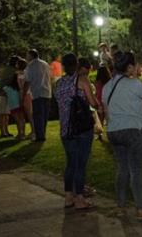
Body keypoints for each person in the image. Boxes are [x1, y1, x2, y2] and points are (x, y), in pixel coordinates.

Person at [102, 51, 142, 220]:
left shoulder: (107, 86)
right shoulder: (135, 84)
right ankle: (141, 209)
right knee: (136, 170)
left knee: (122, 168)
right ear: (130, 67)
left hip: (114, 131)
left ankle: (121, 206)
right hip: (134, 130)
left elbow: (106, 111)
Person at [54, 54, 99, 210]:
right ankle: (80, 198)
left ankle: (68, 197)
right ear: (77, 65)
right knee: (81, 164)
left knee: (71, 163)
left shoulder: (58, 84)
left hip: (66, 129)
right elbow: (93, 102)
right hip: (81, 128)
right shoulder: (82, 81)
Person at [24, 49, 51, 142]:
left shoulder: (30, 66)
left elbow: (27, 81)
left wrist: (24, 93)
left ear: (31, 56)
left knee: (38, 115)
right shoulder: (45, 64)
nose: (26, 57)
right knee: (44, 115)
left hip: (37, 92)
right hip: (47, 92)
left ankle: (40, 136)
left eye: (27, 55)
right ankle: (42, 133)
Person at [0, 56, 18, 139]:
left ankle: (5, 131)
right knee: (3, 114)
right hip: (3, 93)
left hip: (3, 93)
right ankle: (3, 132)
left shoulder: (6, 69)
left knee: (4, 113)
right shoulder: (12, 70)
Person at [4, 65, 26, 140]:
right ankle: (23, 133)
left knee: (17, 120)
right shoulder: (18, 88)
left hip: (13, 105)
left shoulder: (7, 88)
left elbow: (1, 92)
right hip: (19, 104)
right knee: (22, 119)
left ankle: (20, 134)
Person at [17, 58, 34, 139]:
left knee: (28, 114)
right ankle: (30, 131)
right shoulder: (26, 73)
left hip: (25, 94)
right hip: (27, 94)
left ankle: (33, 131)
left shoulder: (21, 74)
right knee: (27, 114)